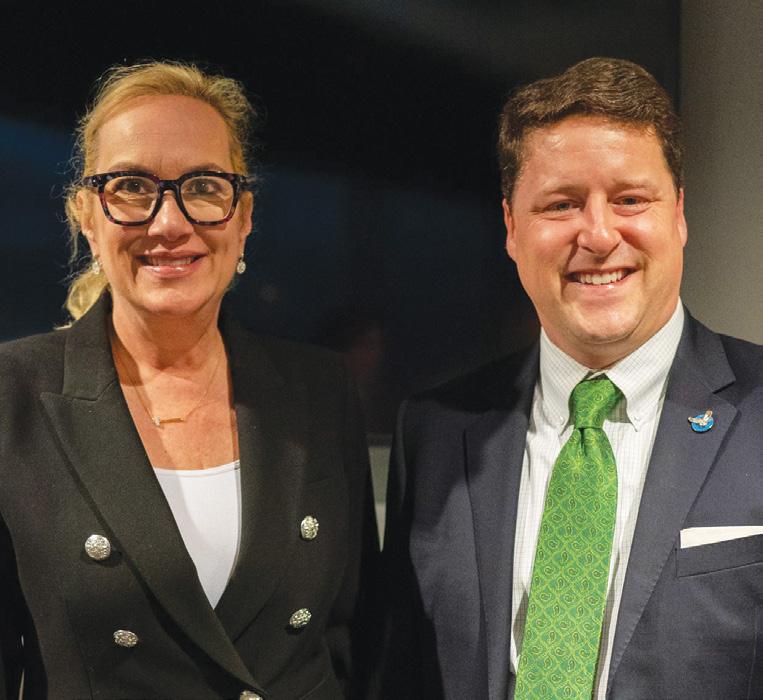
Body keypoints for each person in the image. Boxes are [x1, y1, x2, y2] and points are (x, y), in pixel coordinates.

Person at [376, 57, 763, 698]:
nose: (599, 234)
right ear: (511, 228)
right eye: (561, 205)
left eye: (630, 199)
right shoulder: (435, 431)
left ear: (678, 214)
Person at [0, 61, 378, 699]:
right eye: (131, 187)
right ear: (87, 217)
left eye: (203, 186)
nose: (170, 223)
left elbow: (353, 641)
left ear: (243, 215)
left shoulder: (319, 391)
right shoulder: (12, 396)